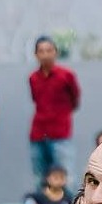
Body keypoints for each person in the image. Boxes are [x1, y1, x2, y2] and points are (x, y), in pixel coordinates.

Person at [28, 36, 81, 187]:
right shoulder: (33, 78)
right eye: (41, 51)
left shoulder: (66, 75)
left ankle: (70, 203)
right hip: (38, 133)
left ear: (55, 52)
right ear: (36, 54)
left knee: (66, 176)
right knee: (40, 177)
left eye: (49, 50)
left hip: (60, 133)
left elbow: (75, 100)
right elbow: (36, 100)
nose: (45, 54)